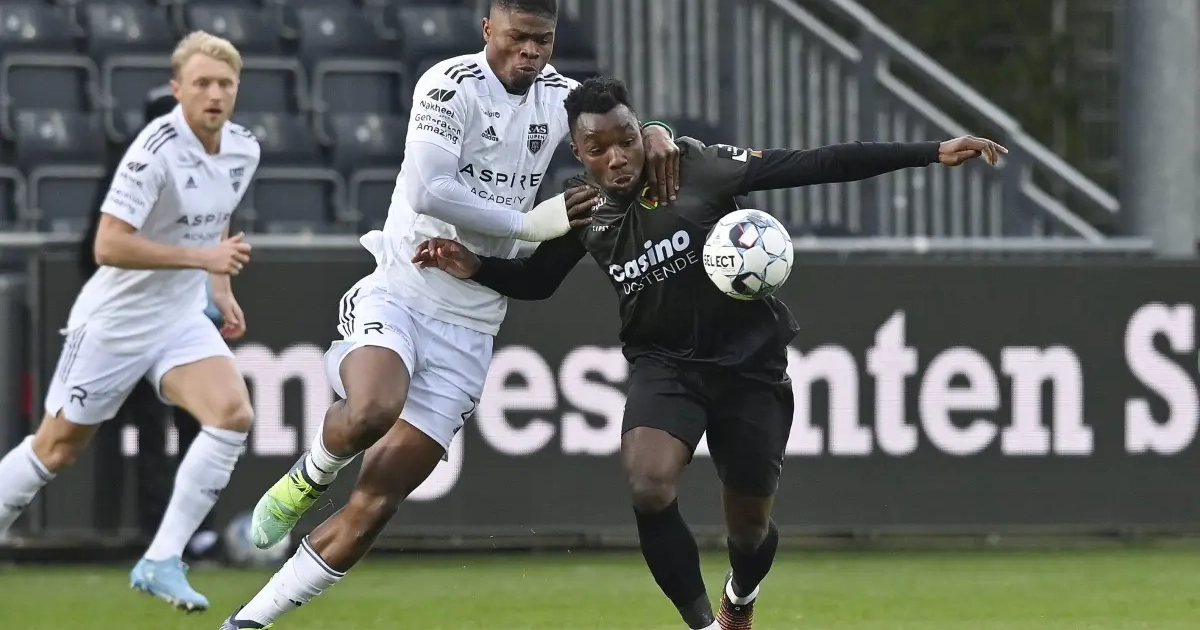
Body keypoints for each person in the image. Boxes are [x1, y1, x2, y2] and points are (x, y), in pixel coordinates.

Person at [410, 77, 1007, 630]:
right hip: (664, 365)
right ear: (578, 152)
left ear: (641, 131)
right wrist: (476, 266)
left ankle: (740, 599)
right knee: (648, 485)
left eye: (626, 140)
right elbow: (538, 281)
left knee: (749, 533)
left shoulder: (695, 167)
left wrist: (930, 151)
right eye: (598, 149)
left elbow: (816, 163)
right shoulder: (580, 209)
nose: (617, 158)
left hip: (751, 368)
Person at [218, 1, 678, 627]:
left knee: (375, 505)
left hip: (472, 326)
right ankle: (311, 475)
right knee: (372, 408)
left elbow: (617, 127)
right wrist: (525, 224)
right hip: (404, 288)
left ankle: (247, 621)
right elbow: (429, 189)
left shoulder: (559, 97)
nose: (530, 52)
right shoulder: (449, 84)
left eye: (543, 40)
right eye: (517, 37)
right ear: (488, 29)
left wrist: (657, 133)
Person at [0, 31, 261, 612]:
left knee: (232, 415)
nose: (214, 94)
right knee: (56, 449)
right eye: (201, 83)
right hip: (115, 322)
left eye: (225, 84)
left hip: (179, 317)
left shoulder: (244, 148)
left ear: (237, 90)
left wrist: (220, 289)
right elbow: (108, 245)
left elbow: (217, 213)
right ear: (177, 89)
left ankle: (162, 560)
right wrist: (202, 259)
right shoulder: (153, 150)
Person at [84, 86, 220, 558]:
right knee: (154, 428)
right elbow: (97, 249)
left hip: (192, 321)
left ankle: (192, 531)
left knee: (197, 427)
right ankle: (162, 532)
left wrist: (220, 299)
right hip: (145, 321)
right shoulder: (132, 176)